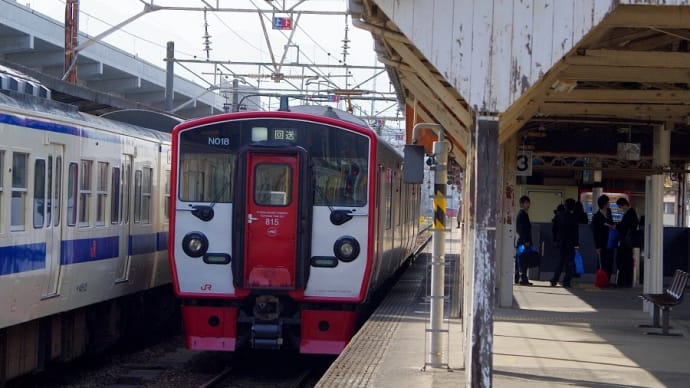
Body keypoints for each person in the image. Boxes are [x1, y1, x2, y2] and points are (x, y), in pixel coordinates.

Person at [550, 198, 579, 287]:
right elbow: (575, 232)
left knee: (560, 262)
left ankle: (554, 279)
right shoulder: (573, 217)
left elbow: (554, 229)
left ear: (565, 206)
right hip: (570, 244)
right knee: (569, 263)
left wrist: (555, 240)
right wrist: (576, 244)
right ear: (573, 207)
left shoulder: (559, 216)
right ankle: (566, 281)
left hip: (560, 243)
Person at [615, 197, 639, 288]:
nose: (620, 209)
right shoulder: (631, 212)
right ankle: (624, 281)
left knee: (623, 261)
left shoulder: (630, 213)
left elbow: (624, 226)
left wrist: (616, 226)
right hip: (628, 242)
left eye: (620, 207)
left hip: (626, 242)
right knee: (626, 261)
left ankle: (624, 281)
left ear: (624, 205)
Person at [591, 194, 615, 283]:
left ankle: (607, 279)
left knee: (609, 261)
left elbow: (611, 223)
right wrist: (597, 246)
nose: (609, 204)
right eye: (608, 202)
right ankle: (601, 280)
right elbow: (595, 233)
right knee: (602, 262)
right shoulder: (596, 217)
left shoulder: (609, 212)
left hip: (610, 241)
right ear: (604, 204)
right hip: (601, 242)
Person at [515, 195, 533, 286]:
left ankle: (518, 277)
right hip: (523, 242)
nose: (528, 205)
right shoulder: (522, 214)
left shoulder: (522, 214)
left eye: (528, 203)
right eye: (526, 203)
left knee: (520, 259)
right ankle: (523, 278)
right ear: (521, 204)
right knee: (523, 259)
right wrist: (526, 240)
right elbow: (523, 229)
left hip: (521, 241)